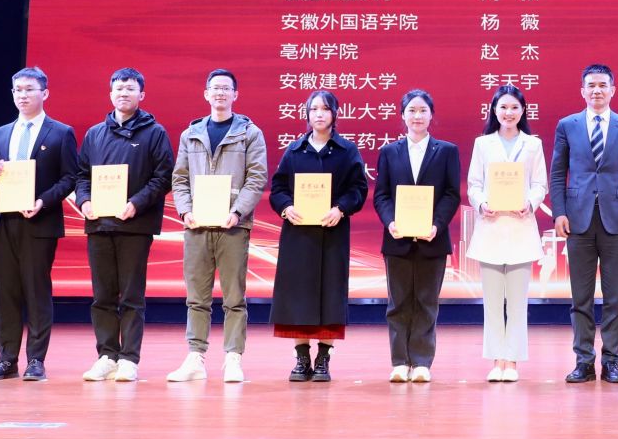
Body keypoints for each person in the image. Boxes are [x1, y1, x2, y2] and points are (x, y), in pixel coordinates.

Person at [168, 69, 269, 384]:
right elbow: (179, 178)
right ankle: (195, 358)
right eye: (215, 88)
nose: (220, 93)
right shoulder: (191, 134)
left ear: (235, 94)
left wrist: (238, 212)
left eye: (226, 88)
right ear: (206, 94)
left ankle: (233, 358)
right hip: (197, 225)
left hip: (233, 226)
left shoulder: (250, 133)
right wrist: (185, 211)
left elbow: (257, 177)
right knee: (196, 297)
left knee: (234, 297)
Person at [548, 63, 618, 384]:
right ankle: (584, 361)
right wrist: (559, 212)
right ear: (582, 91)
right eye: (591, 85)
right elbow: (558, 173)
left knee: (615, 298)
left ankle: (612, 361)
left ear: (613, 90)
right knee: (581, 298)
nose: (597, 90)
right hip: (577, 220)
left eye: (603, 85)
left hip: (617, 221)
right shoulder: (567, 125)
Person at [74, 67, 174, 383]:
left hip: (135, 225)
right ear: (110, 94)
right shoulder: (94, 134)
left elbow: (164, 177)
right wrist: (84, 201)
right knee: (102, 295)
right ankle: (106, 355)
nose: (123, 93)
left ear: (141, 94)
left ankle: (129, 358)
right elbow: (81, 175)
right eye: (118, 88)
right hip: (99, 225)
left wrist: (137, 203)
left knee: (131, 296)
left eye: (130, 88)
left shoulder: (154, 132)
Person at [0, 67, 80, 381]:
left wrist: (43, 201)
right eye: (18, 90)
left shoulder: (61, 132)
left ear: (44, 93)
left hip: (38, 223)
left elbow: (70, 177)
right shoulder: (0, 133)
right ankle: (7, 359)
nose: (22, 96)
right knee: (6, 293)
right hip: (2, 223)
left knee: (37, 292)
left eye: (29, 90)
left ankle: (36, 360)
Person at [268, 89, 368, 382]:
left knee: (330, 295)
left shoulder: (347, 150)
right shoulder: (294, 150)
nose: (319, 114)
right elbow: (277, 189)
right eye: (314, 109)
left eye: (325, 109)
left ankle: (323, 358)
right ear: (307, 114)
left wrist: (341, 209)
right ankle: (301, 359)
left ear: (335, 114)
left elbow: (358, 189)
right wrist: (286, 207)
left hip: (332, 233)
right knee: (297, 295)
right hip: (298, 235)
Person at [374, 89, 462, 384]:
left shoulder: (446, 151)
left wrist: (437, 224)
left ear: (431, 115)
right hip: (397, 239)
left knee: (426, 301)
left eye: (423, 110)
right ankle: (400, 362)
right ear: (402, 115)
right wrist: (390, 222)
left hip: (432, 239)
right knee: (398, 303)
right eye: (411, 110)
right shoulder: (389, 152)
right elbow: (381, 195)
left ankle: (422, 362)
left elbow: (451, 193)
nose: (417, 116)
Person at [465, 84, 545, 383]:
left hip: (521, 228)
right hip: (491, 228)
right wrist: (481, 203)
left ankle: (512, 360)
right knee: (493, 302)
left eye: (514, 107)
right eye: (503, 107)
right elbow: (474, 184)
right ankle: (496, 359)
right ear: (494, 111)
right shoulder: (483, 144)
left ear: (523, 111)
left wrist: (530, 203)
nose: (508, 113)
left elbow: (540, 184)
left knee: (517, 302)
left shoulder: (532, 144)